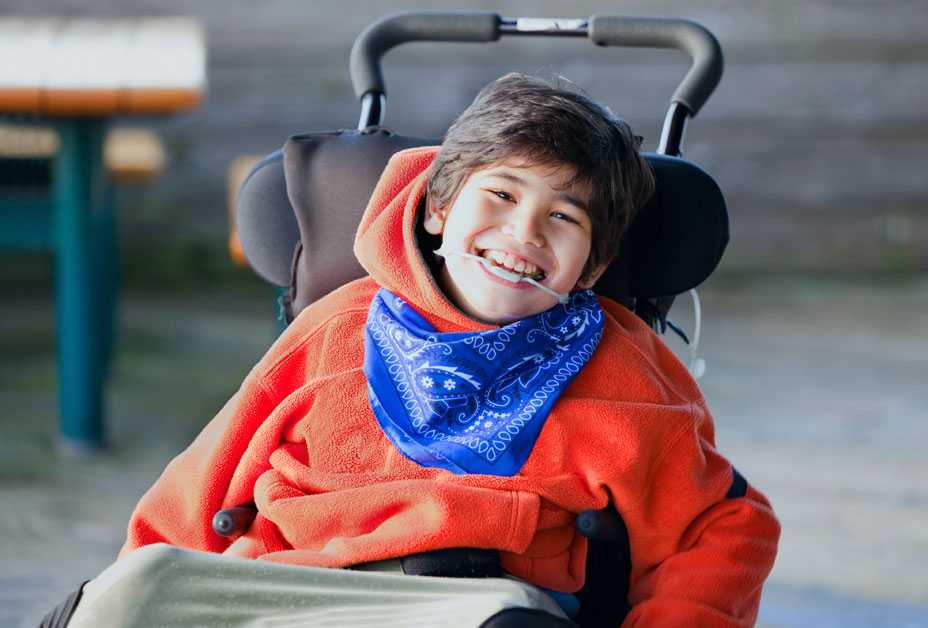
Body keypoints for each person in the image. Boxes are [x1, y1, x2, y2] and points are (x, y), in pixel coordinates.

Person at [60, 73, 779, 628]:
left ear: (591, 268)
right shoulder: (335, 327)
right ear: (438, 209)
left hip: (462, 602)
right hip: (287, 585)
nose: (525, 232)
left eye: (563, 216)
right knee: (128, 591)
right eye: (501, 195)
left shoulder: (622, 373)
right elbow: (198, 486)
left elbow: (724, 525)